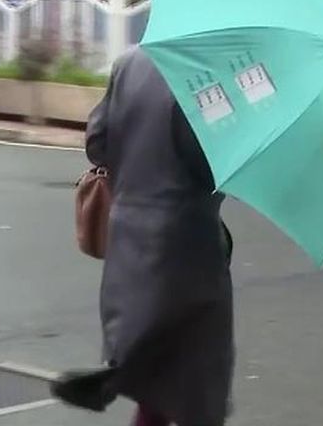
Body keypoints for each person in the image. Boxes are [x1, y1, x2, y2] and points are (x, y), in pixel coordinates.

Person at [54, 47, 234, 426]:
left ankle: (115, 377)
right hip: (188, 241)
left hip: (128, 231)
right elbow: (205, 164)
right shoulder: (206, 71)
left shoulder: (130, 62)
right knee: (197, 376)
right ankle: (114, 379)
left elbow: (97, 142)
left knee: (160, 370)